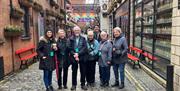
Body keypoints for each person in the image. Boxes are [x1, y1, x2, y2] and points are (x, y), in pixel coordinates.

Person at [69, 26, 88, 90]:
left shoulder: (83, 38)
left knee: (83, 71)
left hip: (82, 57)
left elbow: (85, 47)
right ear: (73, 31)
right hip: (73, 57)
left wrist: (78, 53)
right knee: (74, 71)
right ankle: (74, 85)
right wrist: (74, 54)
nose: (77, 31)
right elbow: (69, 48)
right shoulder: (70, 38)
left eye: (78, 30)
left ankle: (83, 84)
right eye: (75, 30)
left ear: (80, 31)